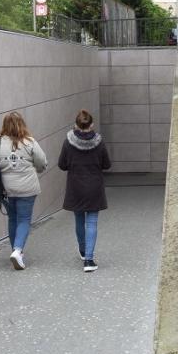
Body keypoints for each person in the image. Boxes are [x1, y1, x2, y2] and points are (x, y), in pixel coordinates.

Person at [0, 111, 48, 270]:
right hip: (27, 188)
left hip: (6, 188)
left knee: (13, 219)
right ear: (22, 123)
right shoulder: (29, 142)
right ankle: (18, 250)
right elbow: (42, 162)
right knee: (24, 219)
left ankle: (16, 251)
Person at [58, 109, 112, 273]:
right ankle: (89, 259)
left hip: (76, 187)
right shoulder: (99, 142)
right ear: (92, 124)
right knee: (92, 222)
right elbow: (107, 164)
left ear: (76, 124)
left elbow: (62, 164)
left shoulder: (68, 142)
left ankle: (82, 250)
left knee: (79, 220)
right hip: (94, 187)